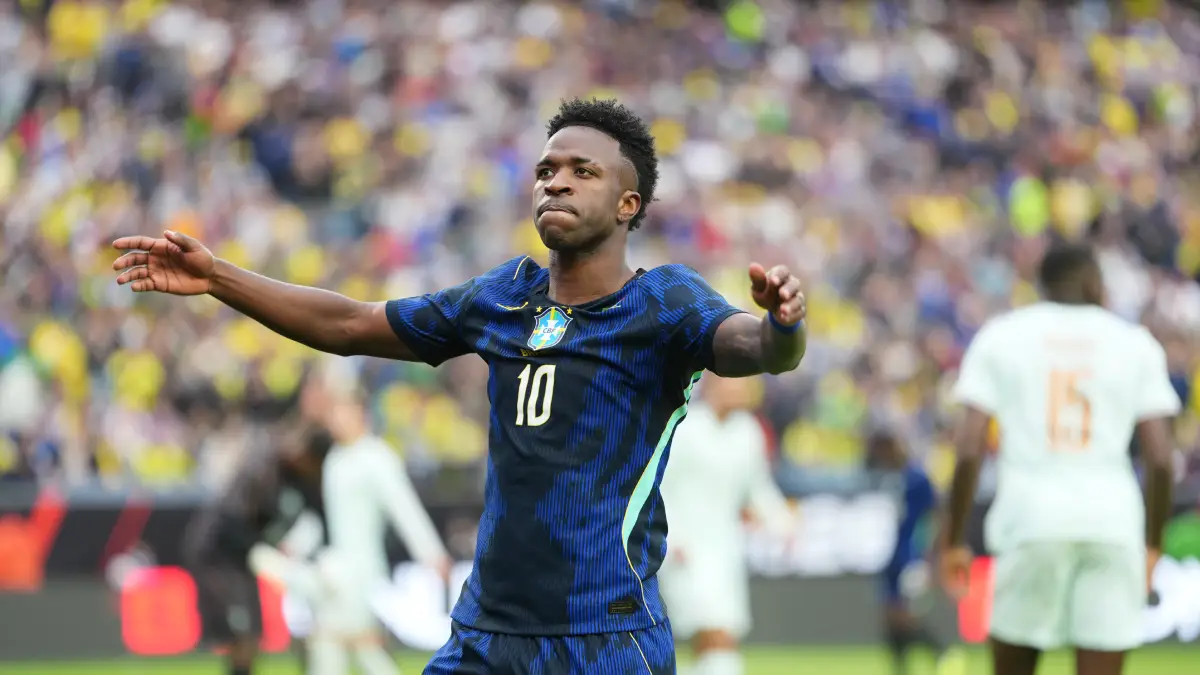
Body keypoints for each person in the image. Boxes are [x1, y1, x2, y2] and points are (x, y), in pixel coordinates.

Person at [112, 97, 807, 674]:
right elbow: (353, 324)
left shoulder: (664, 302)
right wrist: (218, 278)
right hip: (485, 632)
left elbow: (753, 348)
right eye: (546, 169)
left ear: (629, 202)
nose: (555, 181)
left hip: (604, 637)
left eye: (581, 171)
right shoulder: (503, 296)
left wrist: (781, 326)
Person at [941, 243, 1179, 675]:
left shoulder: (1003, 336)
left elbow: (970, 446)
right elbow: (1161, 458)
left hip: (1030, 518)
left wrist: (953, 539)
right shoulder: (1134, 343)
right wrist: (1153, 544)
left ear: (1042, 285)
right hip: (1112, 521)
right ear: (1095, 283)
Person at [657, 374, 794, 675]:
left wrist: (782, 522)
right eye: (734, 381)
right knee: (715, 634)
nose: (742, 388)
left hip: (725, 551)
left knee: (719, 636)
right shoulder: (685, 427)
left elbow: (757, 489)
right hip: (685, 550)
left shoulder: (748, 432)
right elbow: (660, 488)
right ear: (713, 385)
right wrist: (672, 538)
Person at [311, 390, 452, 675]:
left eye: (342, 412)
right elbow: (324, 519)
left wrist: (431, 553)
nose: (335, 421)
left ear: (361, 414)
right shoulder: (335, 459)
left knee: (352, 644)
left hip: (362, 570)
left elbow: (405, 509)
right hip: (337, 569)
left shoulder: (376, 457)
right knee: (338, 643)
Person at [181, 419, 332, 675]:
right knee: (242, 634)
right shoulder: (264, 469)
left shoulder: (303, 480)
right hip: (219, 556)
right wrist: (263, 551)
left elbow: (318, 517)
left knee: (252, 633)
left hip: (245, 558)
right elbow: (232, 520)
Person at [865, 431, 963, 675]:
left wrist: (931, 556)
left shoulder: (917, 477)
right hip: (891, 557)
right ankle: (901, 667)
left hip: (911, 555)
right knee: (889, 617)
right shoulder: (889, 478)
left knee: (903, 616)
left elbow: (938, 515)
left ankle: (941, 652)